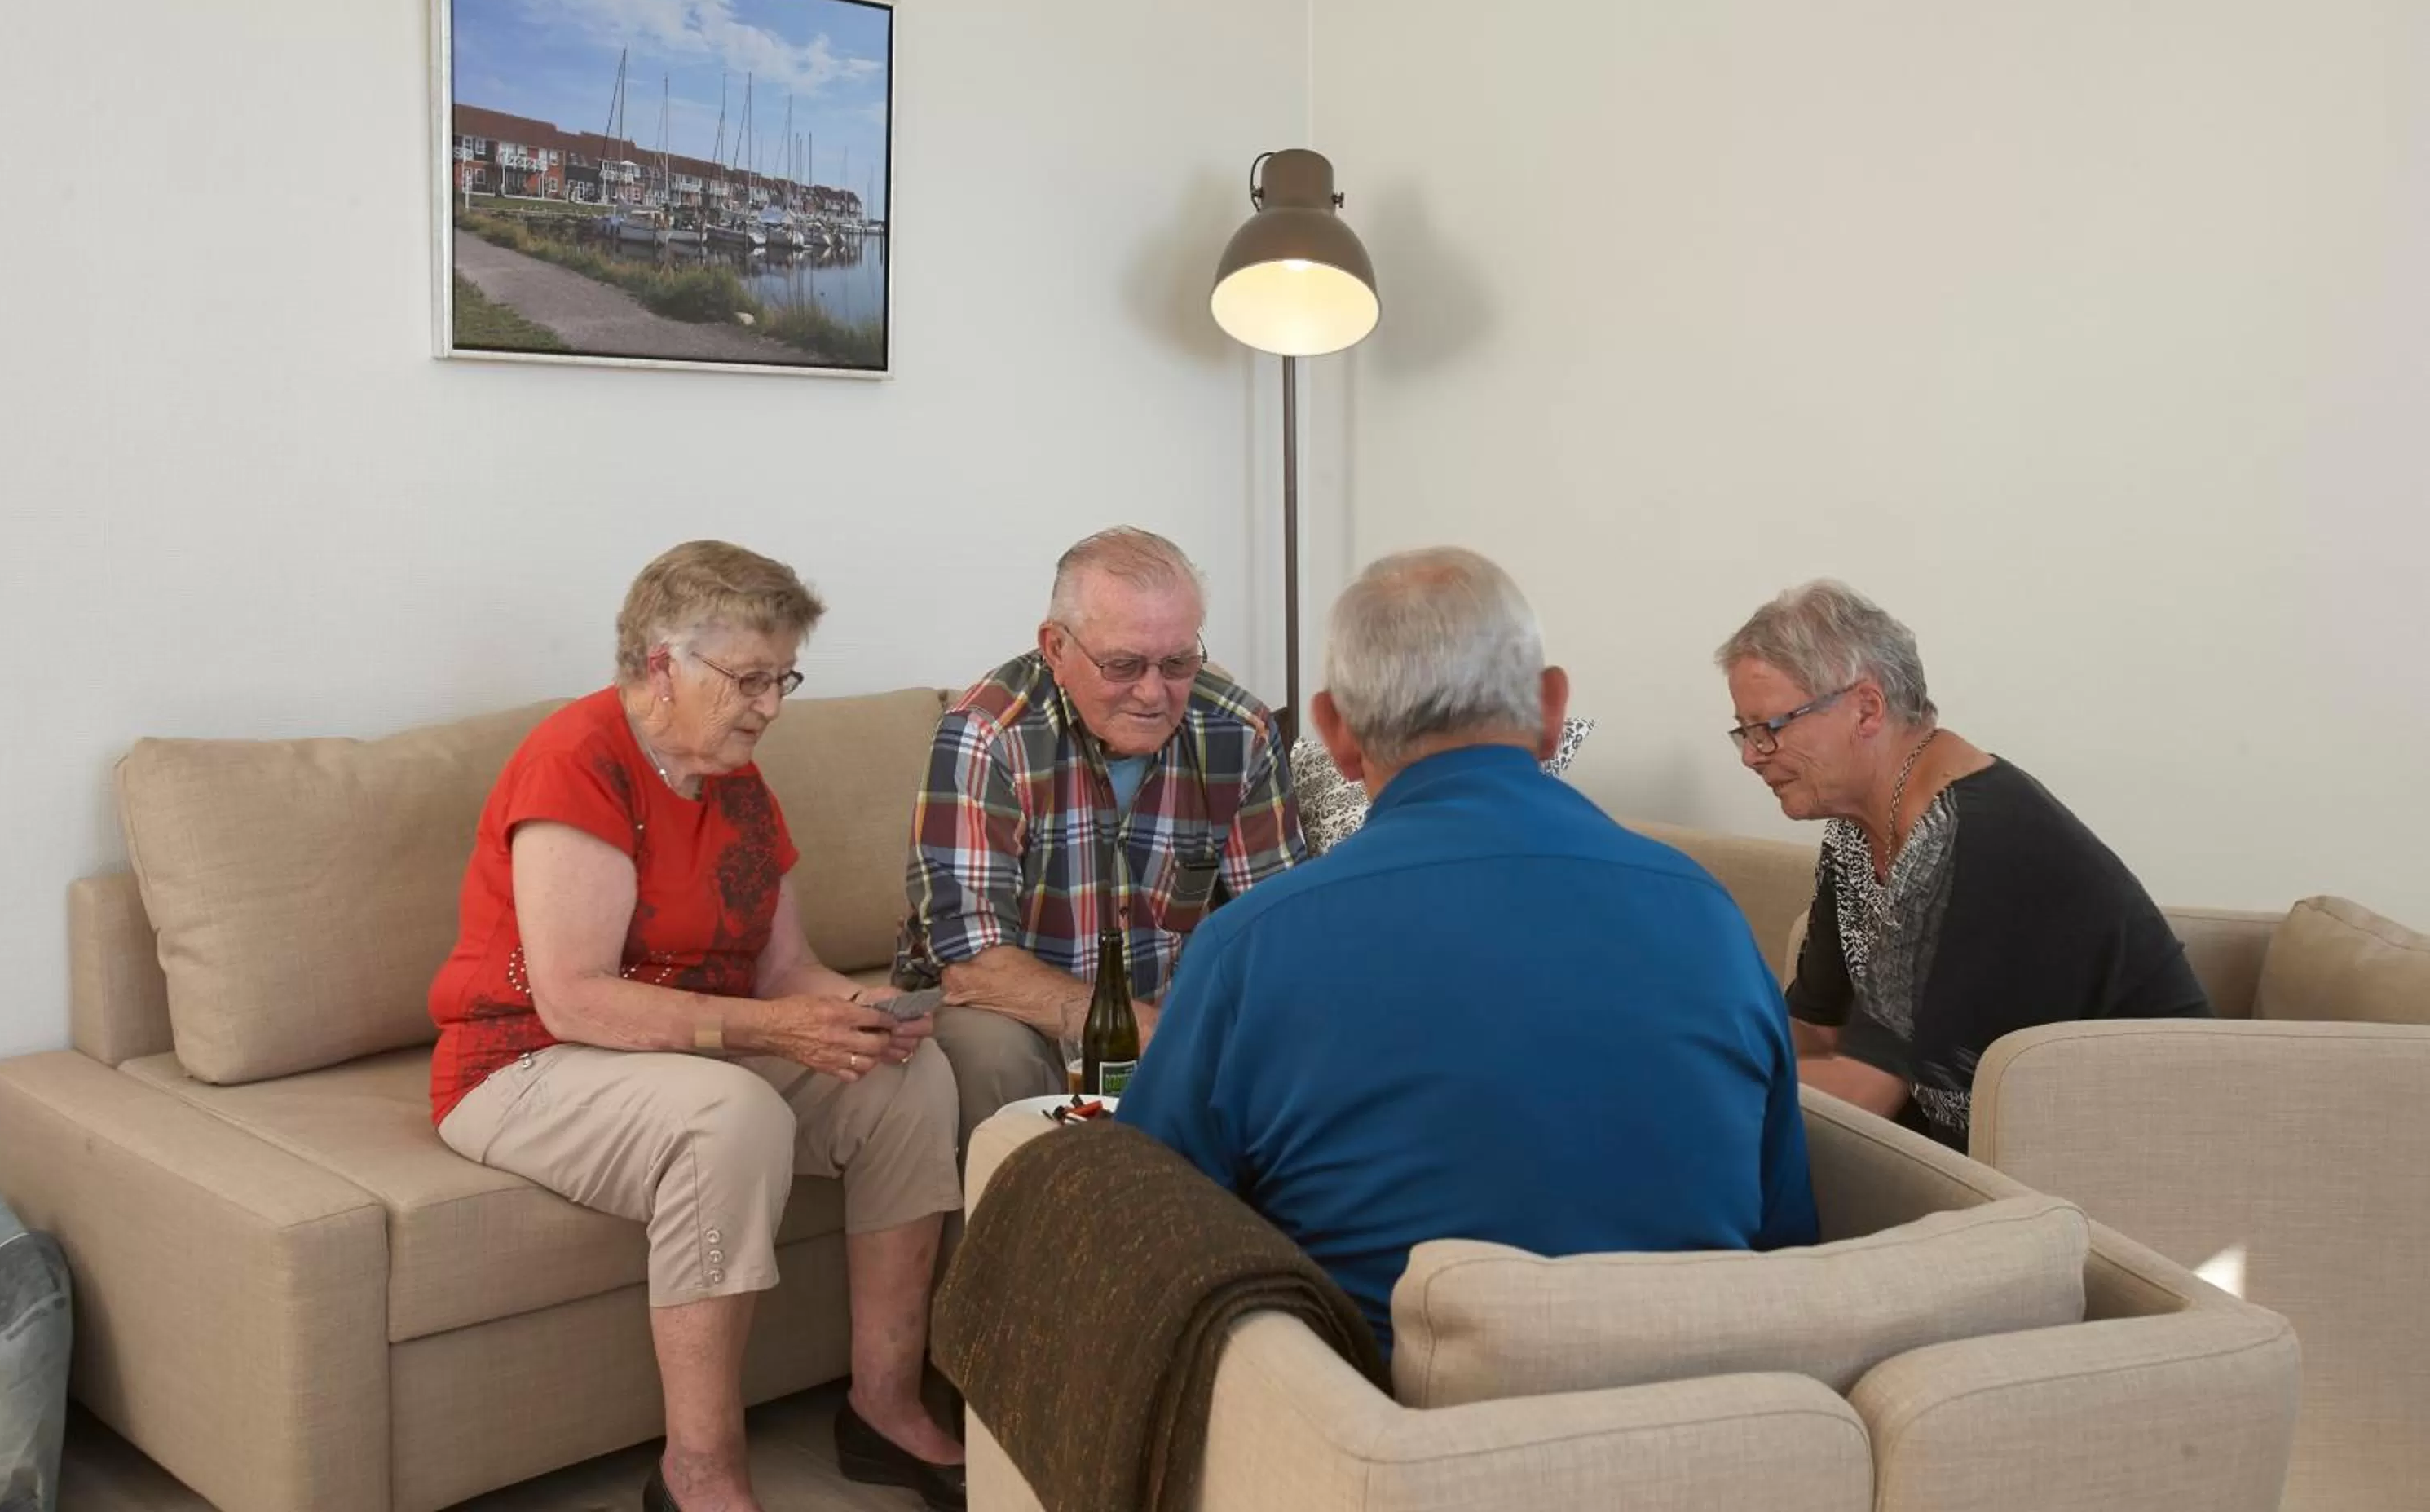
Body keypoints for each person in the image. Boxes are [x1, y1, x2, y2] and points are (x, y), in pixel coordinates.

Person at [1118, 548, 1818, 1355]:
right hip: (1703, 1418)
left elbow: (1150, 1230)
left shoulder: (1250, 942)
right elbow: (1786, 1234)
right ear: (1552, 706)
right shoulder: (1713, 915)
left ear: (1336, 731)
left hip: (1376, 1433)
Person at [427, 542, 965, 1512]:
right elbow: (574, 996)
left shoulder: (739, 783)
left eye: (782, 677)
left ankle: (883, 1406)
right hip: (523, 1059)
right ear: (659, 664)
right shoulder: (578, 760)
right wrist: (772, 1028)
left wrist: (855, 1016)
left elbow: (785, 967)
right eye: (749, 679)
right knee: (729, 1114)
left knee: (903, 1083)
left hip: (672, 1049)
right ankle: (699, 1473)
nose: (769, 705)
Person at [1718, 580, 2212, 1152]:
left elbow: (1863, 1093)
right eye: (1745, 732)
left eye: (1769, 728)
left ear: (1866, 709)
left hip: (2131, 1148)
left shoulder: (1972, 836)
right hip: (1988, 1143)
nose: (1753, 755)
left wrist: (1689, 1083)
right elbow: (1815, 1030)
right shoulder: (1857, 831)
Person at [897, 527, 1307, 1141]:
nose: (1152, 692)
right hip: (1024, 1014)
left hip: (1175, 1010)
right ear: (1056, 648)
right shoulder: (987, 736)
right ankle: (1021, 1231)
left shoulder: (1237, 730)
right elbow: (973, 966)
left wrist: (1203, 1023)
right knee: (993, 1054)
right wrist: (1150, 1033)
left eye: (1177, 663)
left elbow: (1273, 928)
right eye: (1122, 665)